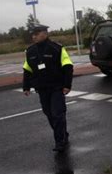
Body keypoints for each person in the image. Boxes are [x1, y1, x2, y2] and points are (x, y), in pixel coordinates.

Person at [23, 24, 74, 152]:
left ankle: (60, 141)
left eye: (36, 33)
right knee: (49, 114)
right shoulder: (30, 51)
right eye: (33, 34)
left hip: (56, 87)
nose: (33, 36)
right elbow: (27, 69)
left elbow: (68, 67)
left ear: (45, 34)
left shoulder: (57, 49)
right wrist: (26, 86)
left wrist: (67, 85)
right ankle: (63, 133)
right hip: (42, 89)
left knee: (57, 114)